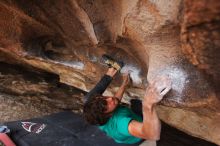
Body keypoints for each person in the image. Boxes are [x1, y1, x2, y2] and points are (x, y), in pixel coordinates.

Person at [83, 55, 171, 145]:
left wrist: (124, 85)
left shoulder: (94, 111)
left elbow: (114, 100)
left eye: (104, 98)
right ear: (108, 115)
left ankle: (112, 69)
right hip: (138, 138)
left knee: (87, 99)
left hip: (122, 129)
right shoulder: (121, 123)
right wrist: (148, 105)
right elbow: (152, 135)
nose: (110, 98)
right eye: (106, 104)